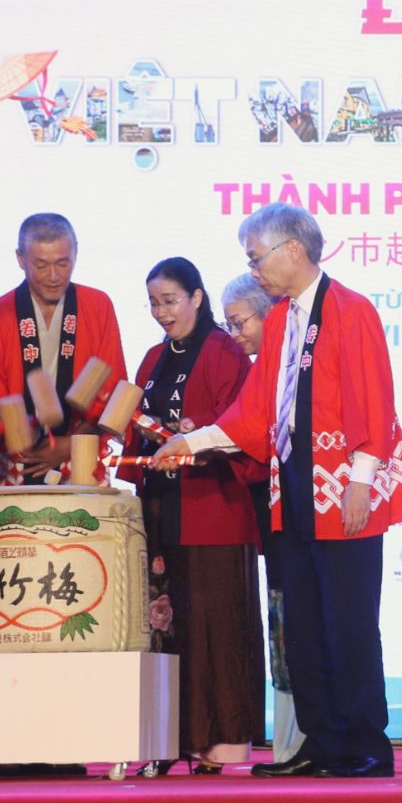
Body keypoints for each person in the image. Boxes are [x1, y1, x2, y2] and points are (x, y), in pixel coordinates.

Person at [157, 204, 402, 779]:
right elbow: (255, 412)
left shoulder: (352, 311)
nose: (253, 270)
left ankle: (365, 746)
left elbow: (373, 400)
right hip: (291, 481)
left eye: (257, 258)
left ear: (293, 252)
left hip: (343, 483)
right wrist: (193, 442)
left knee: (347, 620)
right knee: (301, 620)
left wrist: (360, 480)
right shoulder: (279, 321)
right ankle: (323, 743)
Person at [120, 258, 262, 775]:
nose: (162, 312)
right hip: (163, 509)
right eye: (155, 302)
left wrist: (193, 434)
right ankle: (166, 742)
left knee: (214, 626)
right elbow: (133, 428)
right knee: (165, 626)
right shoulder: (153, 357)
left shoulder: (227, 352)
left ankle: (219, 744)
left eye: (171, 300)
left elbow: (242, 425)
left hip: (213, 509)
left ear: (197, 298)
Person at [0, 213, 126, 481]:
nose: (53, 276)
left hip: (81, 455)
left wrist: (70, 443)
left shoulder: (98, 306)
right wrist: (20, 433)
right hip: (16, 460)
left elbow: (112, 390)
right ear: (20, 258)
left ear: (76, 253)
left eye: (63, 263)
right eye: (41, 265)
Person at [220, 272, 306, 765]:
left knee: (294, 622)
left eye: (239, 322)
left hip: (296, 516)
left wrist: (204, 440)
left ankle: (302, 741)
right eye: (227, 324)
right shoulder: (262, 366)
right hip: (273, 521)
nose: (235, 335)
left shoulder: (287, 363)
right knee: (282, 621)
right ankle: (290, 743)